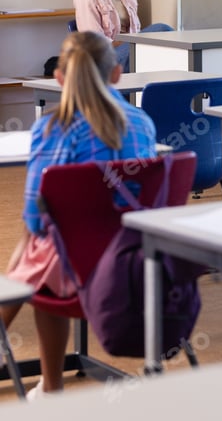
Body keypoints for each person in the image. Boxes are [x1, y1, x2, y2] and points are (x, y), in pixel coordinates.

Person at [1, 31, 157, 399]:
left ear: (58, 77)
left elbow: (36, 217)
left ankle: (51, 386)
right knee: (42, 250)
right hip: (137, 259)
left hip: (74, 268)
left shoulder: (52, 128)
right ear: (116, 74)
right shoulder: (142, 123)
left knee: (33, 247)